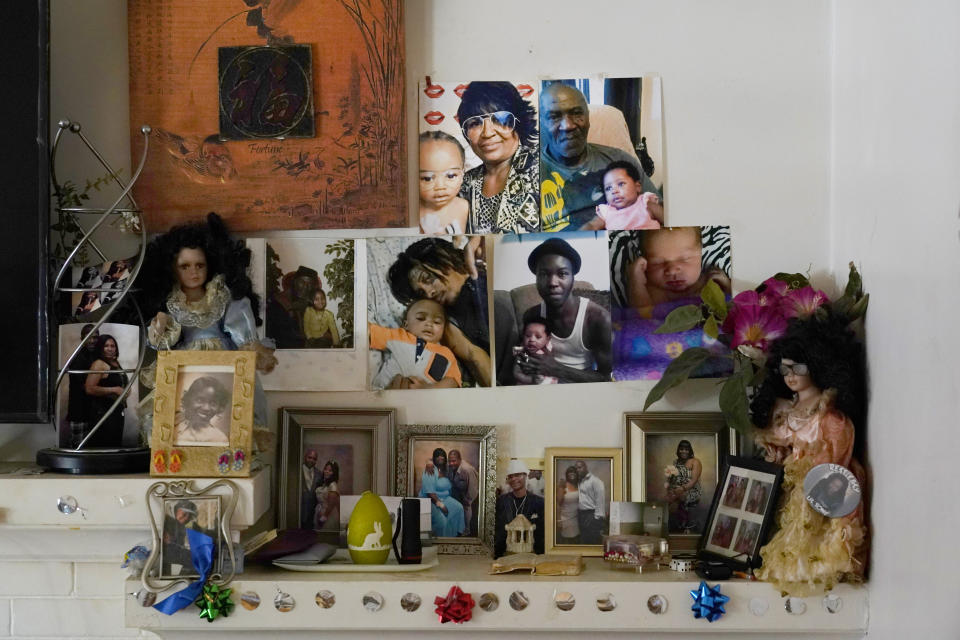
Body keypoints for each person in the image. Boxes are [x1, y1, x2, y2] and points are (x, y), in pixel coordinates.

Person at [137, 213, 276, 447]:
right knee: (181, 412)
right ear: (172, 269)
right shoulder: (171, 304)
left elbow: (240, 329)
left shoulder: (221, 298)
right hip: (186, 366)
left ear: (210, 264)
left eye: (199, 265)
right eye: (185, 266)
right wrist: (160, 326)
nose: (193, 272)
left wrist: (251, 350)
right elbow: (161, 342)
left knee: (228, 409)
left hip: (222, 362)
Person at [751, 319, 867, 595]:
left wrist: (809, 463)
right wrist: (779, 454)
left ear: (816, 366)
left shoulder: (828, 413)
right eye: (785, 369)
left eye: (798, 368)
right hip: (792, 487)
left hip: (819, 483)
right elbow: (782, 441)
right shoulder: (787, 407)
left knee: (813, 536)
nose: (790, 376)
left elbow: (835, 452)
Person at [539, 83, 660, 231]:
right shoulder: (524, 174)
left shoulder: (620, 161)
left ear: (588, 119)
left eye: (577, 113)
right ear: (541, 122)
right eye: (554, 117)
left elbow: (663, 214)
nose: (568, 125)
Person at [388, 237, 490, 386]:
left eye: (427, 279)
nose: (429, 293)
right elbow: (475, 357)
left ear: (444, 258)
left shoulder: (484, 259)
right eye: (422, 293)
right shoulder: (446, 323)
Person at [517, 237, 612, 383]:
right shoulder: (532, 316)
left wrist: (556, 369)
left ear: (573, 278)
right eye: (544, 274)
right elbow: (525, 356)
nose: (552, 283)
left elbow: (605, 378)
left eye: (562, 274)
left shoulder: (598, 319)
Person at [456, 81, 540, 233]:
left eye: (499, 119)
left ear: (518, 122)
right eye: (475, 123)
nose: (487, 133)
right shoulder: (462, 184)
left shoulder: (543, 171)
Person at [627, 227, 731, 309]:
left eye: (685, 259)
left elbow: (732, 308)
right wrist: (636, 282)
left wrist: (728, 286)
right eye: (658, 262)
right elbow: (643, 315)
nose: (672, 270)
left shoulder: (708, 283)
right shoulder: (653, 291)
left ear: (701, 254)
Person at [368, 299, 462, 390]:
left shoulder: (446, 353)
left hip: (423, 400)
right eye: (421, 318)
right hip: (383, 394)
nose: (429, 324)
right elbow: (368, 331)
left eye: (437, 322)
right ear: (406, 325)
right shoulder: (398, 336)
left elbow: (453, 380)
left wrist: (430, 389)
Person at [580, 161, 663, 231]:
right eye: (608, 188)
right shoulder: (607, 212)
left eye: (621, 184)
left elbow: (669, 219)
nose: (614, 191)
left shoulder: (645, 204)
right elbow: (592, 225)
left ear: (637, 187)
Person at [418, 131, 469, 234]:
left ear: (463, 172)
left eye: (451, 176)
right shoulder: (408, 214)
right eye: (427, 178)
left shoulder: (465, 208)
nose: (440, 187)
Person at [83, 334, 129, 447]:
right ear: (100, 348)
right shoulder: (99, 364)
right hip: (102, 413)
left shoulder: (115, 363)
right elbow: (89, 388)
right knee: (104, 446)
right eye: (106, 346)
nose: (110, 348)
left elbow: (120, 383)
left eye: (113, 346)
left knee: (114, 444)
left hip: (116, 412)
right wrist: (114, 389)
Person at [494, 459, 545, 558]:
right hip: (506, 555)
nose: (513, 479)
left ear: (526, 476)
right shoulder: (502, 501)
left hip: (532, 555)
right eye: (510, 476)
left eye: (517, 475)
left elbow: (541, 534)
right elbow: (498, 531)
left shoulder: (538, 502)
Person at [420, 448, 465, 538]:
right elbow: (430, 493)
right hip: (431, 500)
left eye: (442, 458)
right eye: (438, 457)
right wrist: (441, 505)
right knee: (442, 522)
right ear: (434, 459)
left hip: (445, 498)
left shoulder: (446, 469)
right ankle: (443, 540)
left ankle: (456, 536)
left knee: (459, 508)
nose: (440, 459)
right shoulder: (430, 470)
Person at [66, 324, 98, 447]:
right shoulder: (77, 357)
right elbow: (85, 385)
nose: (92, 340)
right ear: (82, 338)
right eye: (89, 337)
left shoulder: (96, 355)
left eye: (95, 337)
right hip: (79, 411)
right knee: (78, 447)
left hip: (91, 411)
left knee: (90, 447)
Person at [162, 500, 213, 576]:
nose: (186, 518)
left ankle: (183, 577)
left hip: (175, 552)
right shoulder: (168, 522)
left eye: (189, 516)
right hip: (166, 554)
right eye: (184, 514)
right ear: (177, 510)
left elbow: (200, 531)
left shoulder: (181, 525)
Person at [174, 376, 231, 446]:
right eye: (200, 400)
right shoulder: (176, 427)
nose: (206, 408)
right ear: (189, 400)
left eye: (213, 403)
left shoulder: (219, 439)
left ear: (219, 407)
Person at [666, 440, 703, 533]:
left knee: (679, 497)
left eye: (686, 449)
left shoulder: (695, 462)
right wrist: (670, 489)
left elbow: (694, 481)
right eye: (681, 449)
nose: (684, 451)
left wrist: (682, 489)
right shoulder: (675, 462)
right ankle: (670, 526)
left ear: (690, 451)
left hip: (691, 489)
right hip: (677, 489)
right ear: (678, 450)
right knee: (666, 499)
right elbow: (671, 478)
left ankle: (686, 526)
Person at [512, 318, 558, 385]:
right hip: (527, 384)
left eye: (538, 337)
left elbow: (554, 368)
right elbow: (516, 373)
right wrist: (530, 380)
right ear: (523, 335)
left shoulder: (548, 352)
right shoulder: (522, 354)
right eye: (528, 335)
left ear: (547, 339)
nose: (532, 339)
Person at [447, 449, 479, 536]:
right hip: (459, 493)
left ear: (460, 460)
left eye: (454, 461)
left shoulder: (467, 470)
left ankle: (466, 532)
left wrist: (467, 501)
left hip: (470, 496)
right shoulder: (450, 466)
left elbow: (473, 489)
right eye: (449, 461)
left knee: (466, 509)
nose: (451, 463)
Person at [574, 460, 606, 544]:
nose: (577, 470)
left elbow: (600, 501)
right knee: (584, 540)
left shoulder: (596, 481)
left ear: (585, 467)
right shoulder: (580, 481)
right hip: (581, 515)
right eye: (576, 468)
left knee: (593, 540)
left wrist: (596, 519)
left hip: (591, 515)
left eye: (580, 467)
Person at [556, 465, 581, 544]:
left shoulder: (579, 485)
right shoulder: (562, 486)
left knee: (576, 541)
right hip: (565, 520)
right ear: (567, 474)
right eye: (570, 472)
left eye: (574, 472)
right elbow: (558, 504)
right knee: (566, 543)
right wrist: (559, 520)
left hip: (576, 520)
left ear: (577, 474)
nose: (572, 474)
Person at [313, 460, 341, 531]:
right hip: (319, 513)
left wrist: (323, 518)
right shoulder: (324, 483)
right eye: (325, 469)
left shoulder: (333, 486)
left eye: (330, 470)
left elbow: (331, 506)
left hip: (328, 516)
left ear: (334, 473)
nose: (327, 471)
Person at [300, 449, 319, 529]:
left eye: (314, 459)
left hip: (312, 515)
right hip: (297, 514)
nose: (311, 460)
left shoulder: (320, 474)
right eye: (309, 457)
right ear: (305, 457)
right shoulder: (297, 471)